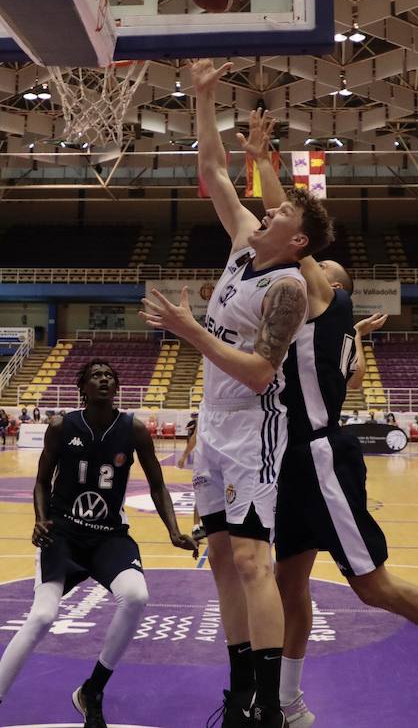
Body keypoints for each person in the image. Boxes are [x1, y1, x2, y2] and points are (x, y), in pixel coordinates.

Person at [244, 119, 418, 726]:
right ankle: (288, 704)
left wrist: (264, 163)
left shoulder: (323, 295)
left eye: (319, 268)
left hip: (320, 457)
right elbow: (280, 229)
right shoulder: (301, 302)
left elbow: (287, 220)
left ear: (320, 274)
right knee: (288, 588)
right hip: (287, 462)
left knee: (374, 586)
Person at [140, 59, 332, 728]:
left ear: (297, 238)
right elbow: (215, 170)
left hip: (253, 428)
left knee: (253, 560)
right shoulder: (244, 245)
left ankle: (272, 709)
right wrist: (206, 98)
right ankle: (240, 689)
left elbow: (257, 373)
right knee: (219, 556)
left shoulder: (286, 289)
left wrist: (190, 329)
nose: (269, 207)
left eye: (280, 209)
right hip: (212, 424)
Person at [0, 360, 198, 728]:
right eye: (96, 376)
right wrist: (40, 519)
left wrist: (173, 530)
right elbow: (42, 482)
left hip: (109, 536)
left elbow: (157, 485)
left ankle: (91, 690)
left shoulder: (134, 430)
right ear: (83, 387)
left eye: (109, 376)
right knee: (42, 616)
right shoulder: (62, 426)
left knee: (136, 596)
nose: (104, 379)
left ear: (116, 386)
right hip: (64, 535)